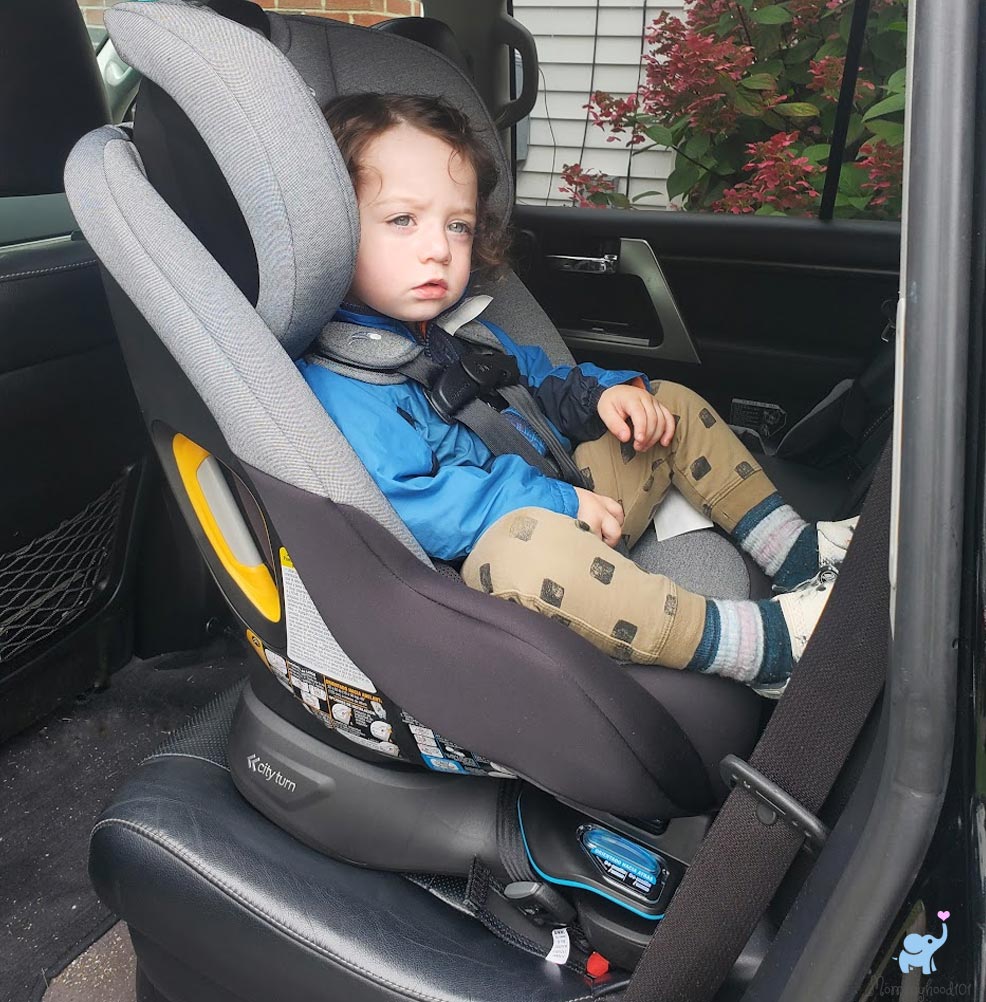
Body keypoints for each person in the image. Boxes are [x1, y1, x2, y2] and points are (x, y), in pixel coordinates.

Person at [297, 92, 856, 697]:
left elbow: (538, 381)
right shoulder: (344, 377)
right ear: (334, 228)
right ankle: (763, 648)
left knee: (666, 403)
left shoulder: (460, 328)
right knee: (527, 552)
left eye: (457, 225)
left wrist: (604, 398)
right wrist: (556, 505)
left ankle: (799, 555)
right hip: (486, 572)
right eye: (402, 220)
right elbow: (415, 503)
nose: (438, 247)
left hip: (566, 497)